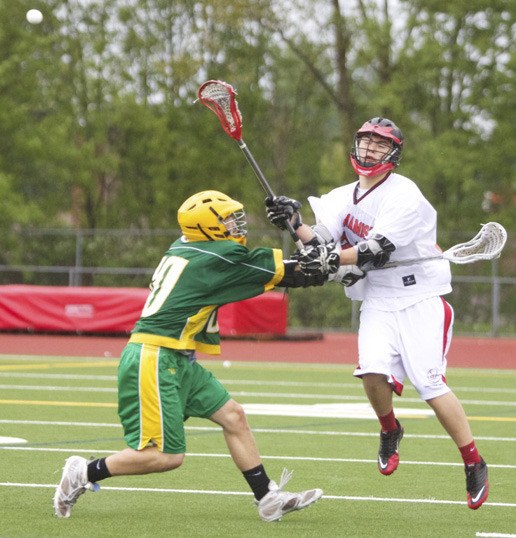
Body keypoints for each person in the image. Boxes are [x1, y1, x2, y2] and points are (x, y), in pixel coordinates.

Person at [54, 190, 324, 522]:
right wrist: (301, 232)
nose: (235, 225)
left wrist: (306, 244)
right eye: (226, 220)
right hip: (155, 356)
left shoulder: (191, 246)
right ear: (208, 227)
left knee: (233, 417)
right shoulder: (215, 256)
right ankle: (84, 472)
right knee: (166, 456)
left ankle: (267, 498)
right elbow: (304, 271)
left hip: (177, 358)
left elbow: (301, 270)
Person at [265, 117, 489, 510]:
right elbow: (323, 239)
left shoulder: (406, 196)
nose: (369, 150)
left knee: (430, 384)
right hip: (379, 297)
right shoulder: (340, 196)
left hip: (420, 296)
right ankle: (390, 428)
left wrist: (330, 259)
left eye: (379, 145)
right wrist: (295, 223)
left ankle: (473, 460)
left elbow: (373, 250)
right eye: (365, 142)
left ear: (394, 154)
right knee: (370, 371)